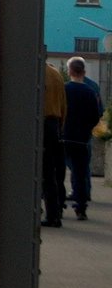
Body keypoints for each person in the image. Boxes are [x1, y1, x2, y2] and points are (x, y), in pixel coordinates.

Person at [63, 57, 101, 220]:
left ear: (70, 71)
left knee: (59, 171)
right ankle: (81, 207)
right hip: (82, 139)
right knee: (80, 173)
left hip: (65, 136)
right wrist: (87, 129)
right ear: (83, 72)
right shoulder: (90, 92)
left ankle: (58, 205)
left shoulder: (65, 89)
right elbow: (96, 115)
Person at [41, 60, 67, 227]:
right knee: (50, 173)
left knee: (36, 172)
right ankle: (54, 214)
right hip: (54, 124)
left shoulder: (35, 73)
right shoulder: (56, 74)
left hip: (40, 123)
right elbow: (64, 105)